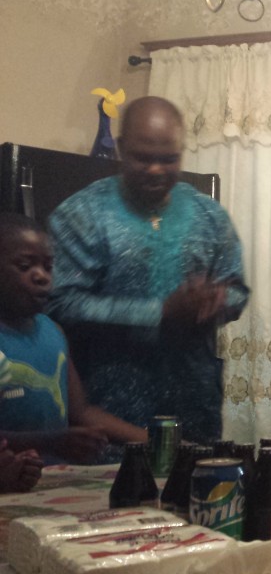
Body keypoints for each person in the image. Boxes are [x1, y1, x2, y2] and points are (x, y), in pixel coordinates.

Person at [47, 96, 249, 445]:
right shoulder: (81, 214)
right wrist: (159, 313)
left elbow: (237, 290)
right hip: (109, 417)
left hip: (194, 408)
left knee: (197, 494)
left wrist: (215, 301)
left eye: (168, 159)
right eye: (144, 158)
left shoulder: (209, 215)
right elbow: (58, 304)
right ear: (121, 149)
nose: (156, 169)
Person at [0, 214, 148, 466]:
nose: (41, 277)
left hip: (54, 482)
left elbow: (82, 412)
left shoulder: (53, 332)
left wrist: (153, 439)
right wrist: (52, 441)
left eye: (48, 266)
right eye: (25, 266)